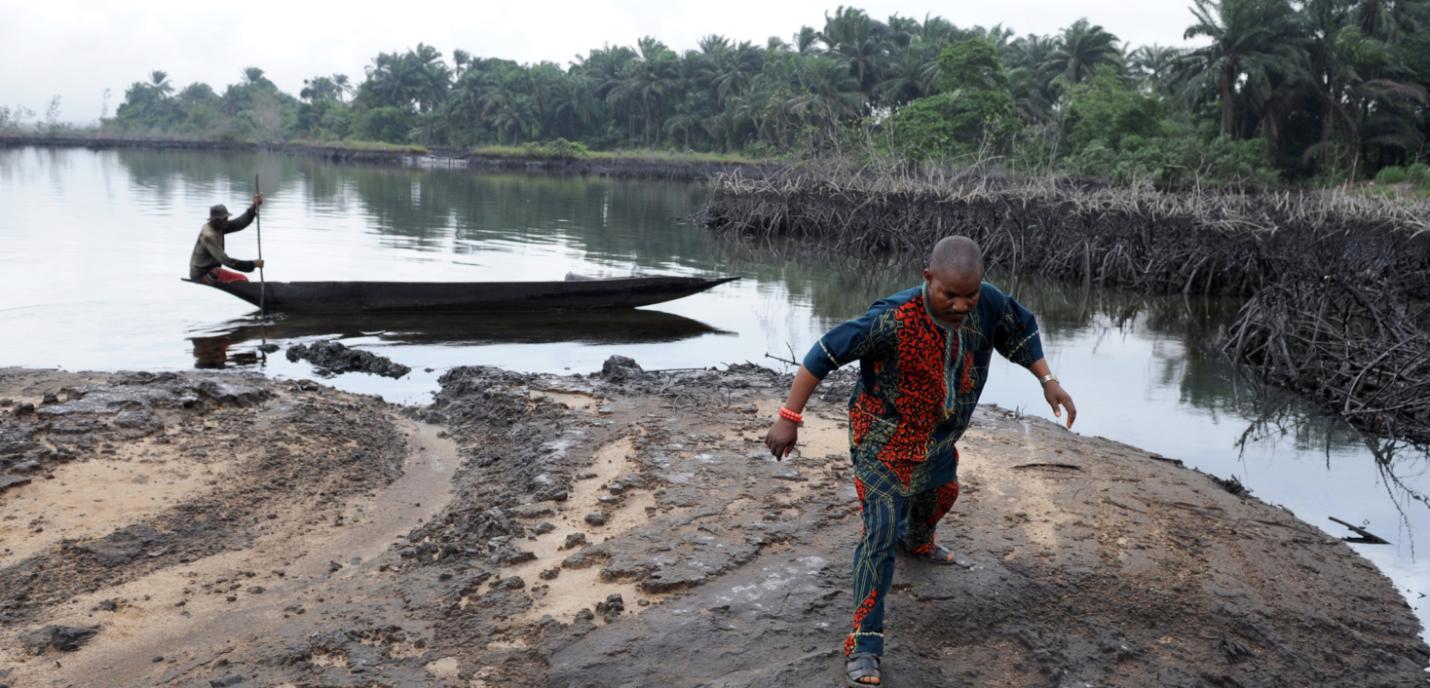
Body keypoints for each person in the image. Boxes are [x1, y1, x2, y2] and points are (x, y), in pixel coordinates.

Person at [764, 236, 1077, 687]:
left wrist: (1048, 380)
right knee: (880, 533)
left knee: (943, 492)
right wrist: (789, 418)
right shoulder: (891, 319)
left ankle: (920, 539)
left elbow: (1020, 330)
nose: (961, 305)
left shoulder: (986, 303)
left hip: (936, 439)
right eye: (950, 294)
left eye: (969, 295)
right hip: (883, 442)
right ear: (928, 278)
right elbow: (824, 354)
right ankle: (864, 643)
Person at [189, 194, 264, 283]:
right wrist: (252, 264)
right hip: (201, 274)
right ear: (216, 220)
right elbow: (226, 261)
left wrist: (254, 206)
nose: (227, 220)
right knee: (242, 279)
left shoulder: (218, 226)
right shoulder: (209, 236)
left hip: (209, 270)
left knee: (240, 279)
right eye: (225, 218)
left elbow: (239, 223)